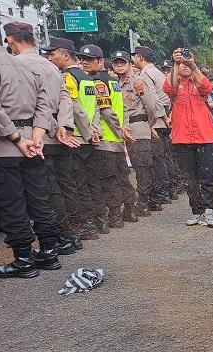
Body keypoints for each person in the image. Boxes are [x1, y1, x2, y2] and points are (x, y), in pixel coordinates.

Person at [0, 11, 60, 278]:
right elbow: (45, 102)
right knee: (38, 199)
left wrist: (17, 139)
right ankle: (49, 251)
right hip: (33, 142)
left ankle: (24, 259)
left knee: (10, 204)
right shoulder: (24, 64)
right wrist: (37, 135)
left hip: (3, 146)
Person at [8, 25, 82, 256]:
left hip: (37, 135)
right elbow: (65, 99)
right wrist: (64, 125)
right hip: (59, 134)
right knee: (65, 186)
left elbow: (36, 104)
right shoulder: (50, 66)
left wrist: (51, 126)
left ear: (11, 41)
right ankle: (70, 235)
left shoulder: (16, 64)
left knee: (47, 191)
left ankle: (59, 237)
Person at [45, 39, 103, 237]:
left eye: (53, 54)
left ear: (65, 55)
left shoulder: (68, 77)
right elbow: (95, 108)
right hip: (89, 137)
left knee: (77, 185)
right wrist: (94, 131)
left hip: (76, 137)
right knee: (91, 182)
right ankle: (99, 221)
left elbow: (75, 108)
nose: (50, 58)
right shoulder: (87, 77)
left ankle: (86, 226)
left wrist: (87, 132)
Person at [80, 48, 139, 225]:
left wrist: (120, 130)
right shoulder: (114, 81)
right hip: (118, 139)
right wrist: (124, 128)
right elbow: (123, 108)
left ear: (100, 61)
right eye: (83, 59)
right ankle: (130, 211)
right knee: (122, 178)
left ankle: (115, 216)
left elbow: (106, 111)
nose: (84, 62)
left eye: (90, 59)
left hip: (106, 139)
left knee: (109, 181)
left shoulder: (98, 81)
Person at [163, 48, 213, 228]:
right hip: (182, 138)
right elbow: (167, 88)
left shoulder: (199, 81)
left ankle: (209, 211)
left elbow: (206, 87)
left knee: (206, 177)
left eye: (186, 61)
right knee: (189, 179)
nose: (184, 65)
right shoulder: (175, 84)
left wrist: (192, 64)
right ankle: (197, 211)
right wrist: (175, 63)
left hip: (205, 137)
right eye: (181, 63)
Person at [111, 50, 161, 215]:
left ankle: (144, 203)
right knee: (125, 169)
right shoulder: (114, 83)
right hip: (119, 129)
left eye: (122, 62)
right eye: (116, 63)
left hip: (138, 127)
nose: (119, 65)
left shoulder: (138, 82)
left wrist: (148, 124)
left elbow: (150, 105)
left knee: (142, 167)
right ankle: (133, 202)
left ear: (129, 64)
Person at [133, 45, 177, 206]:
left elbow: (152, 100)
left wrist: (162, 117)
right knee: (165, 157)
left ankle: (163, 193)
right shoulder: (156, 72)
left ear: (140, 57)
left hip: (158, 118)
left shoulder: (145, 74)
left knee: (158, 159)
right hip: (164, 114)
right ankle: (170, 189)